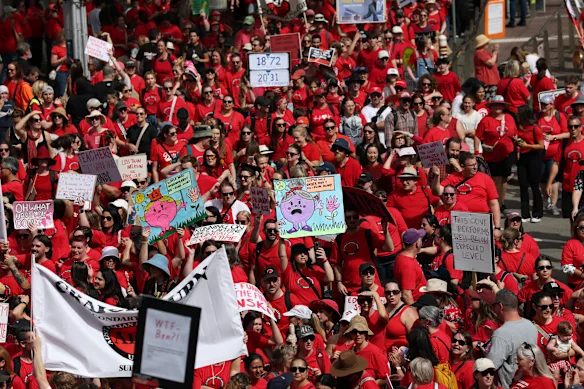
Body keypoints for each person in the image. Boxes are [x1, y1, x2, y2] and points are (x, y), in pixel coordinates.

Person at [487, 289, 538, 389]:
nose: (494, 309)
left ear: (500, 306)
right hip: (529, 384)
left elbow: (490, 366)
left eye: (494, 306)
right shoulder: (530, 325)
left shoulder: (501, 333)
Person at [547, 115, 584, 219]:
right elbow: (556, 163)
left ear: (581, 127)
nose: (573, 129)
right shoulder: (564, 144)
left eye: (576, 126)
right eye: (570, 127)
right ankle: (573, 235)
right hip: (568, 186)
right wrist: (550, 182)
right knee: (571, 218)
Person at [393, 228, 428, 304]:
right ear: (417, 244)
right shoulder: (408, 265)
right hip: (417, 304)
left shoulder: (403, 256)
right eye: (420, 239)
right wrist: (414, 312)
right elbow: (406, 294)